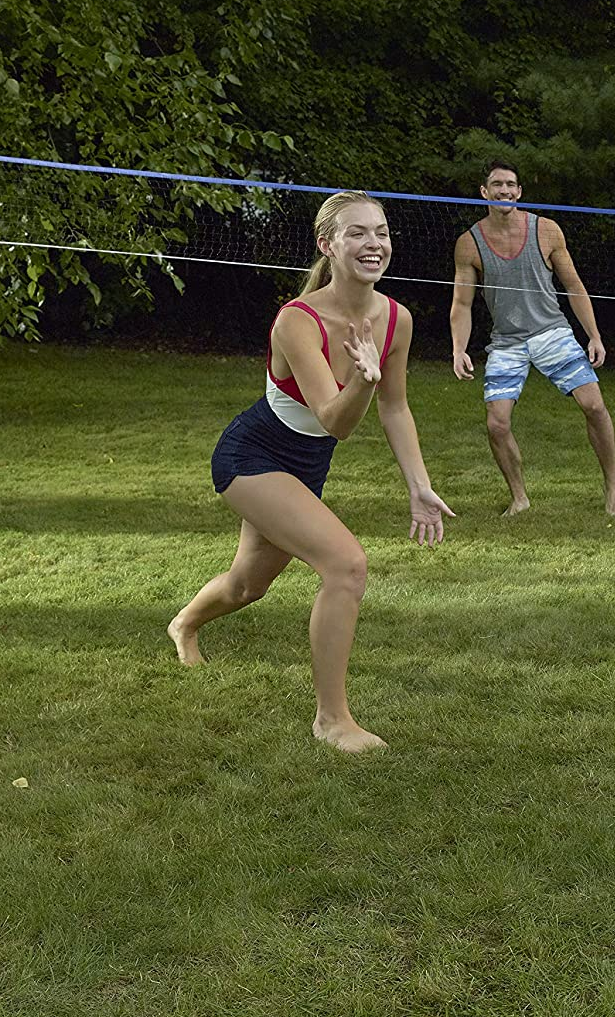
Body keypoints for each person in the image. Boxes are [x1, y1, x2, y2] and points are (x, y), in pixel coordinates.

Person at [169, 192, 455, 754]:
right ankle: (332, 720)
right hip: (251, 458)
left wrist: (419, 486)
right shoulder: (297, 321)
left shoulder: (396, 319)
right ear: (328, 244)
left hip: (305, 466)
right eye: (357, 233)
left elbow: (396, 408)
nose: (373, 243)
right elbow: (335, 420)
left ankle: (184, 624)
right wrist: (362, 381)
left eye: (381, 231)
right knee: (346, 565)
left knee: (248, 585)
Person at [449, 159, 615, 518]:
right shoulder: (469, 243)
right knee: (497, 423)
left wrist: (594, 336)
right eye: (497, 184)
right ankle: (520, 498)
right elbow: (461, 304)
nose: (504, 190)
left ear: (519, 192)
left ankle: (612, 486)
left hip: (552, 332)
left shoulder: (546, 230)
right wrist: (458, 349)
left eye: (510, 185)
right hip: (507, 343)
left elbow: (574, 286)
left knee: (594, 405)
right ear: (484, 192)